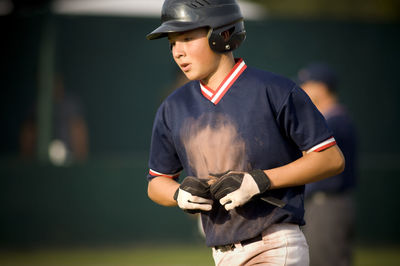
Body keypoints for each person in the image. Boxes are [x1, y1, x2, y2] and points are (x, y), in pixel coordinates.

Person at [145, 1, 345, 265]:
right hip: (221, 253)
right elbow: (156, 182)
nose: (177, 52)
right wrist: (179, 194)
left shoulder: (275, 90)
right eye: (172, 42)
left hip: (275, 243)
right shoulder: (173, 107)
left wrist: (261, 181)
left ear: (223, 34)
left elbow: (331, 159)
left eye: (187, 38)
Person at [297, 62, 357, 266]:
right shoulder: (333, 119)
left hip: (328, 203)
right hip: (325, 204)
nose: (303, 90)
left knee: (325, 261)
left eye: (307, 84)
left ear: (321, 87)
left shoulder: (334, 122)